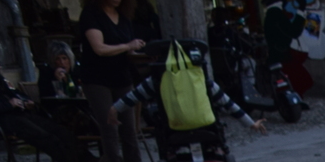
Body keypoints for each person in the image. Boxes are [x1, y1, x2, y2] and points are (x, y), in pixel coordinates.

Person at [79, 0, 155, 162]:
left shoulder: (123, 17)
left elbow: (126, 49)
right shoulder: (91, 14)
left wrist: (141, 53)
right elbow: (99, 48)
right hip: (97, 79)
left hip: (122, 76)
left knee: (130, 128)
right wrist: (127, 46)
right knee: (110, 129)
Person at [111, 52, 269, 134]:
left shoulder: (158, 80)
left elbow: (134, 96)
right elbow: (227, 103)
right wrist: (250, 123)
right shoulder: (201, 80)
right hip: (205, 126)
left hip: (173, 128)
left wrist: (114, 109)